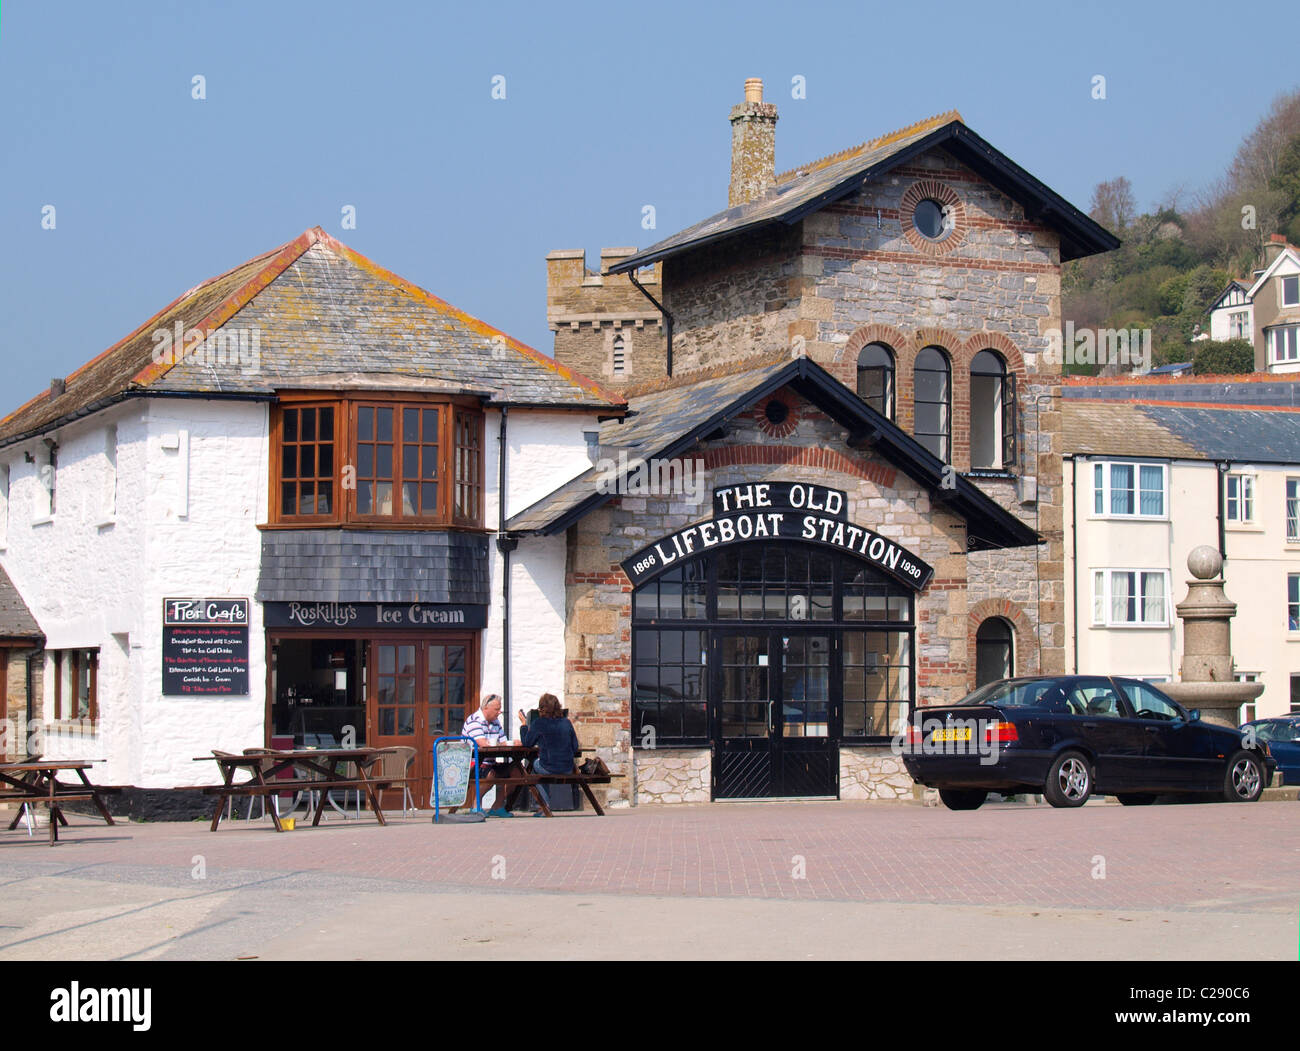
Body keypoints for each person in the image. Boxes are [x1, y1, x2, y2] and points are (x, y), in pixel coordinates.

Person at [520, 693, 580, 816]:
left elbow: (527, 743)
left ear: (542, 708)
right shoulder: (566, 722)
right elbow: (575, 747)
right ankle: (544, 807)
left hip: (549, 767)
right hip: (568, 768)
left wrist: (524, 725)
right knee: (540, 766)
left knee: (535, 767)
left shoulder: (539, 723)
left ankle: (544, 806)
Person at [461, 694, 509, 815]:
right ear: (486, 708)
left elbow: (504, 741)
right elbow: (482, 743)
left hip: (489, 762)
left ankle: (497, 807)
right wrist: (501, 744)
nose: (499, 713)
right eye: (497, 709)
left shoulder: (496, 722)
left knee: (516, 772)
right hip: (472, 763)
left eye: (500, 709)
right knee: (492, 773)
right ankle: (476, 805)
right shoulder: (474, 721)